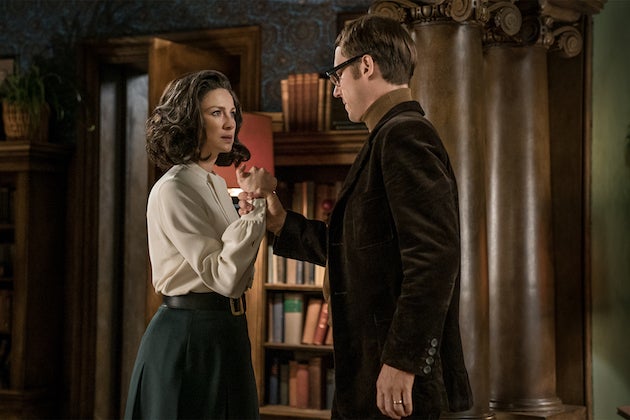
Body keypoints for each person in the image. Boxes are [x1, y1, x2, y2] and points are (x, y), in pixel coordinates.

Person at [240, 14, 473, 420]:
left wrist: (402, 361)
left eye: (337, 75)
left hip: (396, 381)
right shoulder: (387, 136)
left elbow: (435, 259)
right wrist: (281, 223)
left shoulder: (403, 135)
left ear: (365, 66)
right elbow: (357, 249)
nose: (335, 90)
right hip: (376, 373)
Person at [124, 70, 276, 419]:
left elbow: (236, 268)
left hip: (225, 330)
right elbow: (225, 277)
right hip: (189, 336)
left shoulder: (216, 184)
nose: (230, 123)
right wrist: (255, 207)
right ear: (190, 119)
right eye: (216, 113)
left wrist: (249, 210)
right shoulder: (174, 188)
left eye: (232, 112)